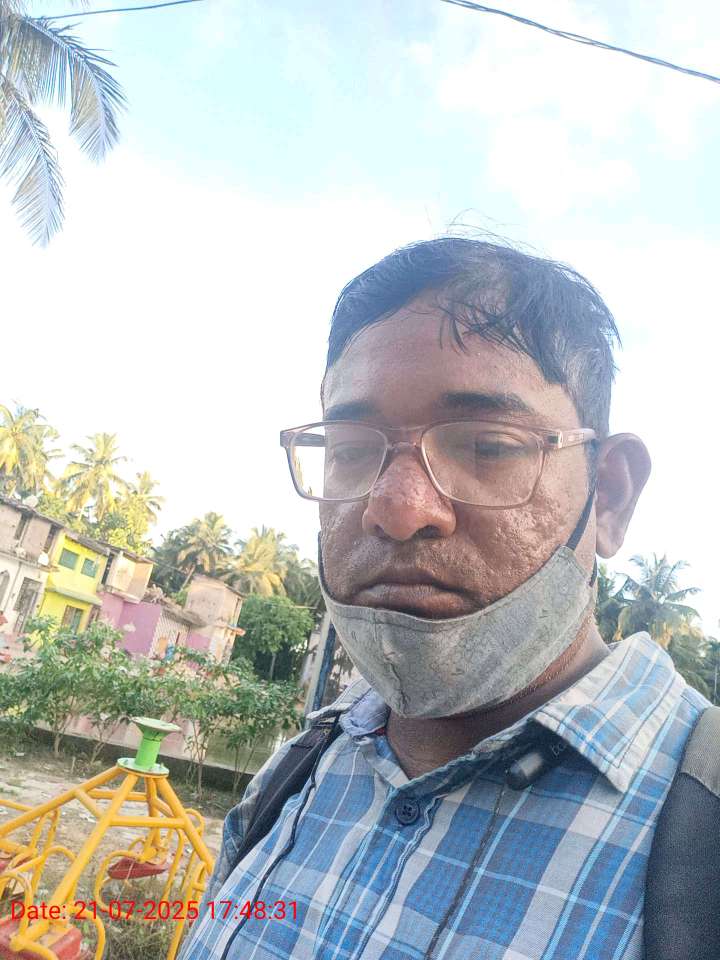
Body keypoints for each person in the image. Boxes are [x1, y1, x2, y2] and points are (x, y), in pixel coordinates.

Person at [179, 237, 709, 960]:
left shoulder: (699, 839)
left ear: (609, 496)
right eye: (351, 448)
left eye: (487, 445)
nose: (397, 509)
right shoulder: (298, 771)